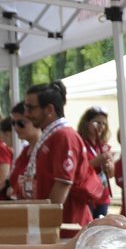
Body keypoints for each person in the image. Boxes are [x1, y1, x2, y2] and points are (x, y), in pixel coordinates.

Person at [20, 82, 109, 231]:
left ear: (49, 109)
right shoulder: (52, 135)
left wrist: (46, 225)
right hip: (61, 224)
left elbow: (63, 184)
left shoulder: (63, 135)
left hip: (67, 225)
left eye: (30, 108)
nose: (26, 114)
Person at [76, 105, 115, 219]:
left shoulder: (104, 146)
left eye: (104, 124)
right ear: (87, 123)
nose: (101, 127)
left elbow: (111, 175)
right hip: (87, 195)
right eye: (97, 123)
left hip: (103, 196)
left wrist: (109, 167)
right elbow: (79, 170)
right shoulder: (80, 143)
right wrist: (96, 161)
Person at [7, 104, 38, 202]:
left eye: (21, 123)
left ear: (35, 121)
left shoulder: (44, 150)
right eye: (13, 123)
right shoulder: (26, 150)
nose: (16, 127)